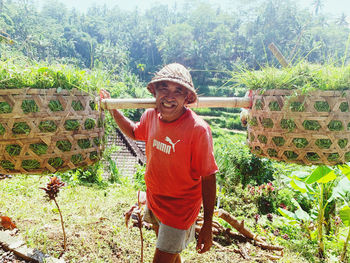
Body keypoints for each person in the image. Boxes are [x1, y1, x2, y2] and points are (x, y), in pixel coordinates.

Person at [100, 63, 218, 263]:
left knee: (163, 257)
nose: (170, 96)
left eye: (178, 91)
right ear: (155, 91)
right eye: (164, 88)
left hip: (180, 209)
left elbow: (208, 177)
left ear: (187, 98)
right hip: (155, 200)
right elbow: (135, 132)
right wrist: (112, 108)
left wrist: (207, 224)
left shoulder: (197, 130)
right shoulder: (151, 116)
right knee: (170, 253)